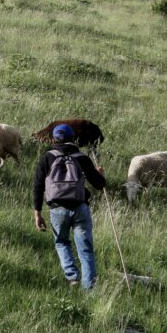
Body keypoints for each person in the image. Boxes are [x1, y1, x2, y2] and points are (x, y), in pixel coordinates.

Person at [33, 124, 106, 289]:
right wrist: (100, 175)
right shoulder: (82, 157)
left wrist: (37, 213)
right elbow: (99, 184)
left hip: (57, 208)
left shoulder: (47, 157)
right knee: (86, 249)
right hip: (80, 207)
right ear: (73, 139)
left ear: (53, 139)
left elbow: (38, 186)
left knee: (61, 242)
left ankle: (72, 277)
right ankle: (89, 288)